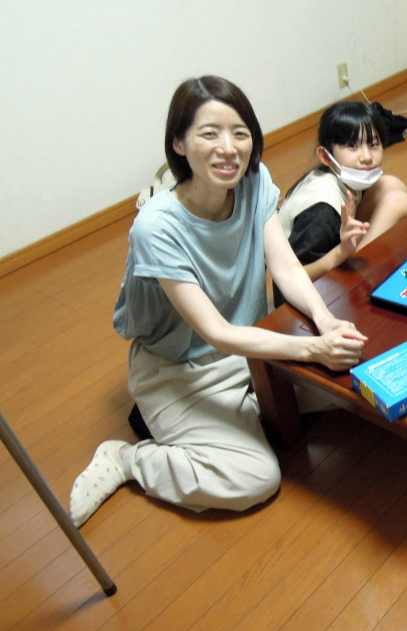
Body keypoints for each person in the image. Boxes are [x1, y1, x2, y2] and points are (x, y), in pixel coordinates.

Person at [69, 76, 367, 527]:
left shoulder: (254, 182)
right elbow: (216, 333)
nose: (228, 148)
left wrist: (324, 320)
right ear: (179, 143)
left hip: (250, 351)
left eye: (240, 133)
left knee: (358, 389)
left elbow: (285, 268)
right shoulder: (156, 226)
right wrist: (313, 349)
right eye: (210, 134)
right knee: (256, 478)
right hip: (182, 371)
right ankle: (130, 460)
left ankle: (245, 412)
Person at [274, 101, 407, 302]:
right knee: (398, 203)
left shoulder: (338, 177)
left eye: (373, 144)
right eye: (352, 147)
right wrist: (340, 253)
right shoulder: (321, 211)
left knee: (390, 185)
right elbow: (289, 280)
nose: (367, 157)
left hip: (338, 251)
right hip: (309, 293)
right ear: (326, 156)